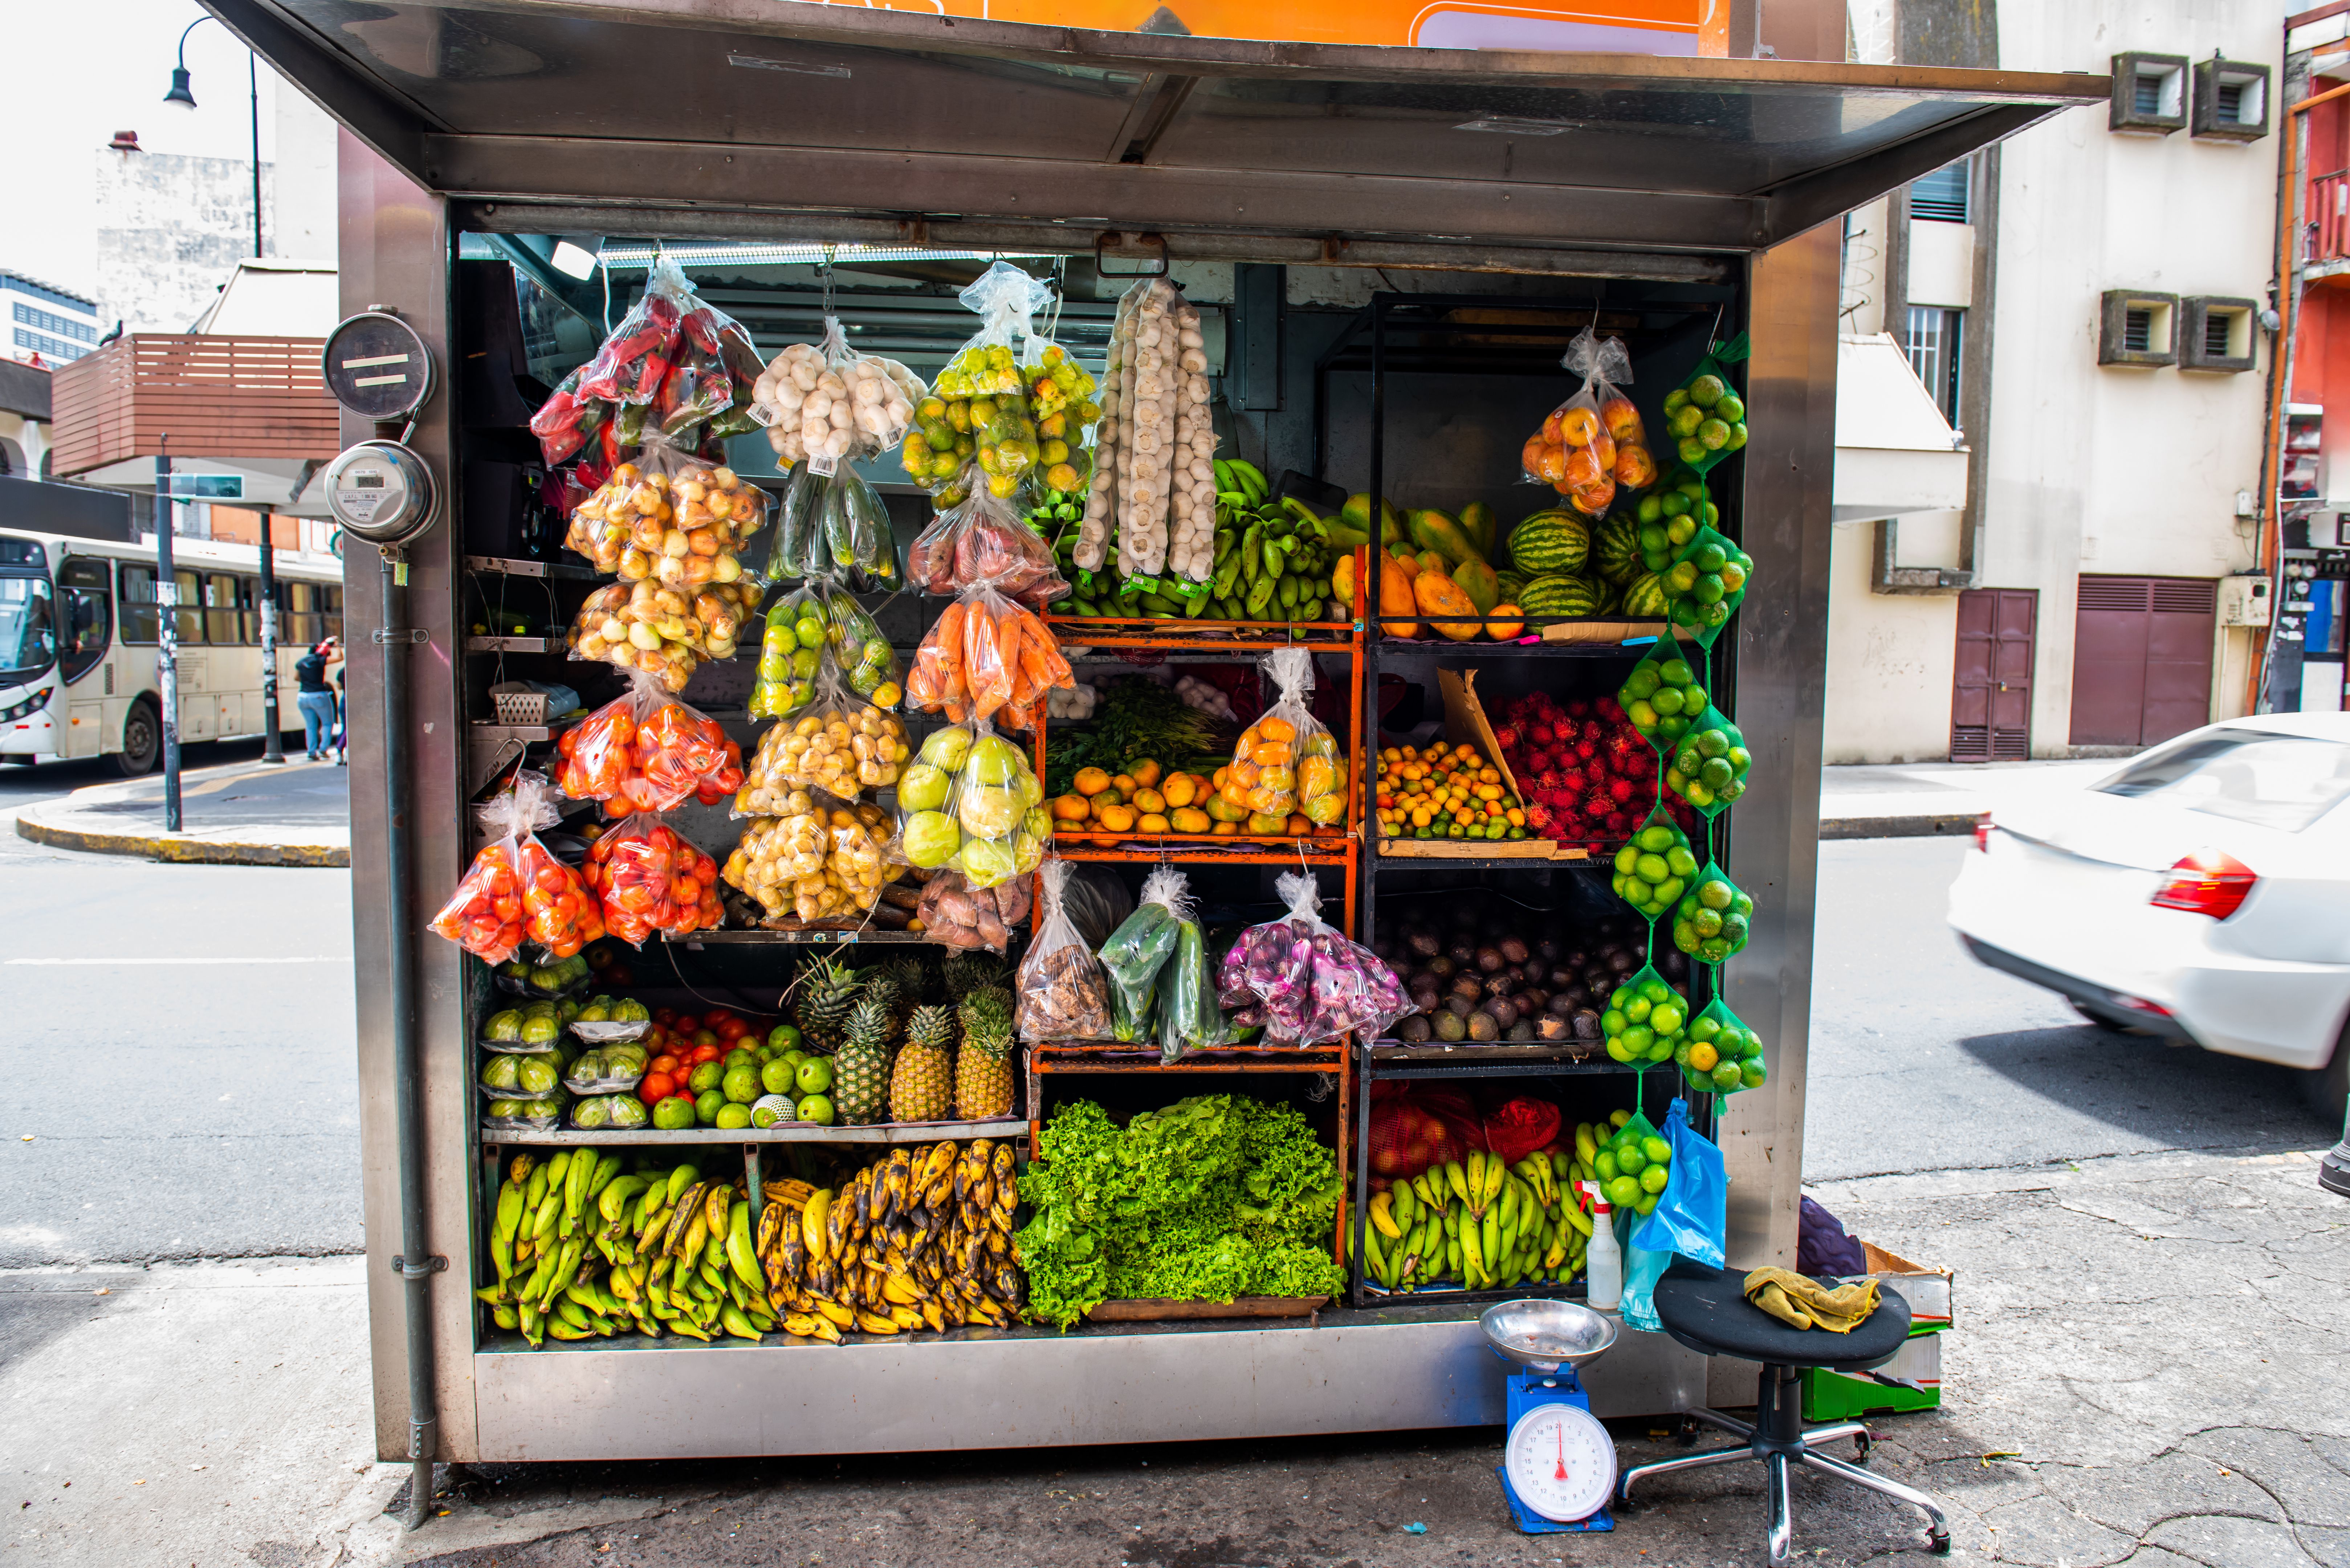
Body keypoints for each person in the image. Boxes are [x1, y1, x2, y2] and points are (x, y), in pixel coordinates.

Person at [293, 638, 341, 762]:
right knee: (327, 723)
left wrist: (308, 680)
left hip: (303, 696)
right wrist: (337, 646)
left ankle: (311, 752)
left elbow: (296, 678)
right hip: (319, 695)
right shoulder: (319, 660)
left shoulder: (301, 662)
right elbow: (340, 658)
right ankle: (323, 750)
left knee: (310, 726)